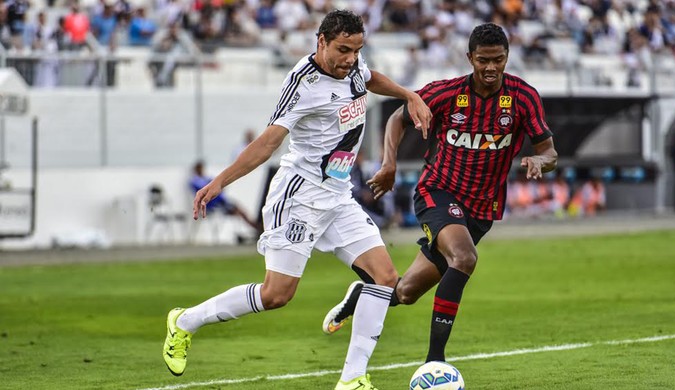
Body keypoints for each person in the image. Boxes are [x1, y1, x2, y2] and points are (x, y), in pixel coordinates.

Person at [162, 10, 432, 390]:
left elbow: (371, 79)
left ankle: (352, 379)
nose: (350, 59)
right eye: (343, 50)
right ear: (320, 41)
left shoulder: (351, 65)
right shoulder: (302, 84)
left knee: (385, 277)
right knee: (276, 295)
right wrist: (220, 180)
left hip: (337, 196)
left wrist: (409, 93)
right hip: (299, 196)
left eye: (357, 50)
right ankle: (184, 321)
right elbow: (268, 143)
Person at [321, 23, 558, 366]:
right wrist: (389, 164)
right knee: (464, 258)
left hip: (481, 209)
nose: (491, 68)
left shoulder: (523, 97)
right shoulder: (447, 93)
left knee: (405, 292)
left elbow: (550, 152)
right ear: (469, 58)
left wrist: (540, 160)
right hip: (438, 192)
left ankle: (364, 292)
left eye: (498, 60)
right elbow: (396, 120)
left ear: (507, 57)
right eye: (483, 60)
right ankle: (435, 362)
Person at [189, 160, 261, 233]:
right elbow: (205, 189)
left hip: (222, 201)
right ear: (196, 169)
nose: (202, 170)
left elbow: (218, 185)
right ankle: (256, 227)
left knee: (240, 210)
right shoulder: (195, 180)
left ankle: (255, 226)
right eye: (200, 168)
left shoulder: (207, 178)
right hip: (214, 204)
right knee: (239, 211)